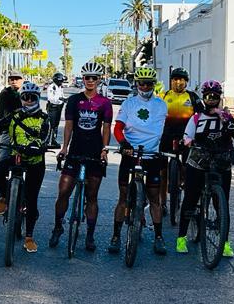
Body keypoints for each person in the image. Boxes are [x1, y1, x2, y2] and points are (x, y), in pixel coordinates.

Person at [50, 62, 113, 252]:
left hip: (94, 152)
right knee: (63, 192)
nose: (91, 81)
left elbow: (106, 128)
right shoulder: (74, 100)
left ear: (99, 80)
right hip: (75, 151)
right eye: (87, 78)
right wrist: (64, 148)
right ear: (83, 79)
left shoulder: (105, 103)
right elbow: (68, 125)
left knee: (92, 197)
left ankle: (90, 236)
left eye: (95, 78)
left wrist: (104, 149)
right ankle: (58, 226)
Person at [176, 80, 234, 255]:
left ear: (220, 97)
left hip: (221, 162)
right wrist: (187, 141)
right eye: (208, 97)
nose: (212, 100)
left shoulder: (225, 116)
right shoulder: (197, 117)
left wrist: (225, 118)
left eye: (215, 96)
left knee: (222, 204)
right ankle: (181, 237)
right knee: (190, 198)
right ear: (204, 98)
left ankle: (225, 241)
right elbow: (187, 136)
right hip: (199, 161)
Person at [109, 66, 169, 255]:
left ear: (153, 84)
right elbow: (117, 128)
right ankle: (116, 236)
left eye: (148, 83)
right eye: (141, 83)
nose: (144, 87)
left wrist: (166, 148)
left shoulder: (161, 105)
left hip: (152, 155)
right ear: (136, 84)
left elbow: (163, 129)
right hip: (130, 154)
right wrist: (123, 143)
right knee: (123, 198)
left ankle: (159, 237)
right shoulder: (128, 104)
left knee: (155, 199)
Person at [0, 81, 50, 253]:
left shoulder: (44, 118)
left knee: (31, 200)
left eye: (32, 97)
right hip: (16, 157)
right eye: (25, 97)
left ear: (37, 98)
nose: (28, 100)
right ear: (21, 98)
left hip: (35, 162)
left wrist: (38, 145)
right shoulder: (15, 116)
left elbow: (47, 137)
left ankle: (29, 237)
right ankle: (7, 198)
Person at [159, 67, 203, 215]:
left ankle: (186, 190)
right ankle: (162, 202)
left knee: (187, 167)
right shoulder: (163, 96)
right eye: (175, 79)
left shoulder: (192, 97)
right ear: (171, 81)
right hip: (166, 136)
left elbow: (202, 115)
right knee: (162, 170)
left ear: (186, 82)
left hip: (186, 137)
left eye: (182, 80)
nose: (179, 82)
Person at [0, 69, 24, 203]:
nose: (14, 81)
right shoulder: (5, 93)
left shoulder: (27, 92)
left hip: (25, 133)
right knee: (2, 158)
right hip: (6, 131)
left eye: (17, 78)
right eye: (11, 78)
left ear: (22, 79)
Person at [46, 72, 66, 147]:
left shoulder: (60, 87)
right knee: (51, 124)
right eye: (60, 80)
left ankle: (53, 140)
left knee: (56, 125)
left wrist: (65, 99)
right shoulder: (51, 87)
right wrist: (59, 99)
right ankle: (47, 141)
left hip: (59, 107)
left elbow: (62, 95)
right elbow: (50, 98)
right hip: (52, 107)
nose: (61, 82)